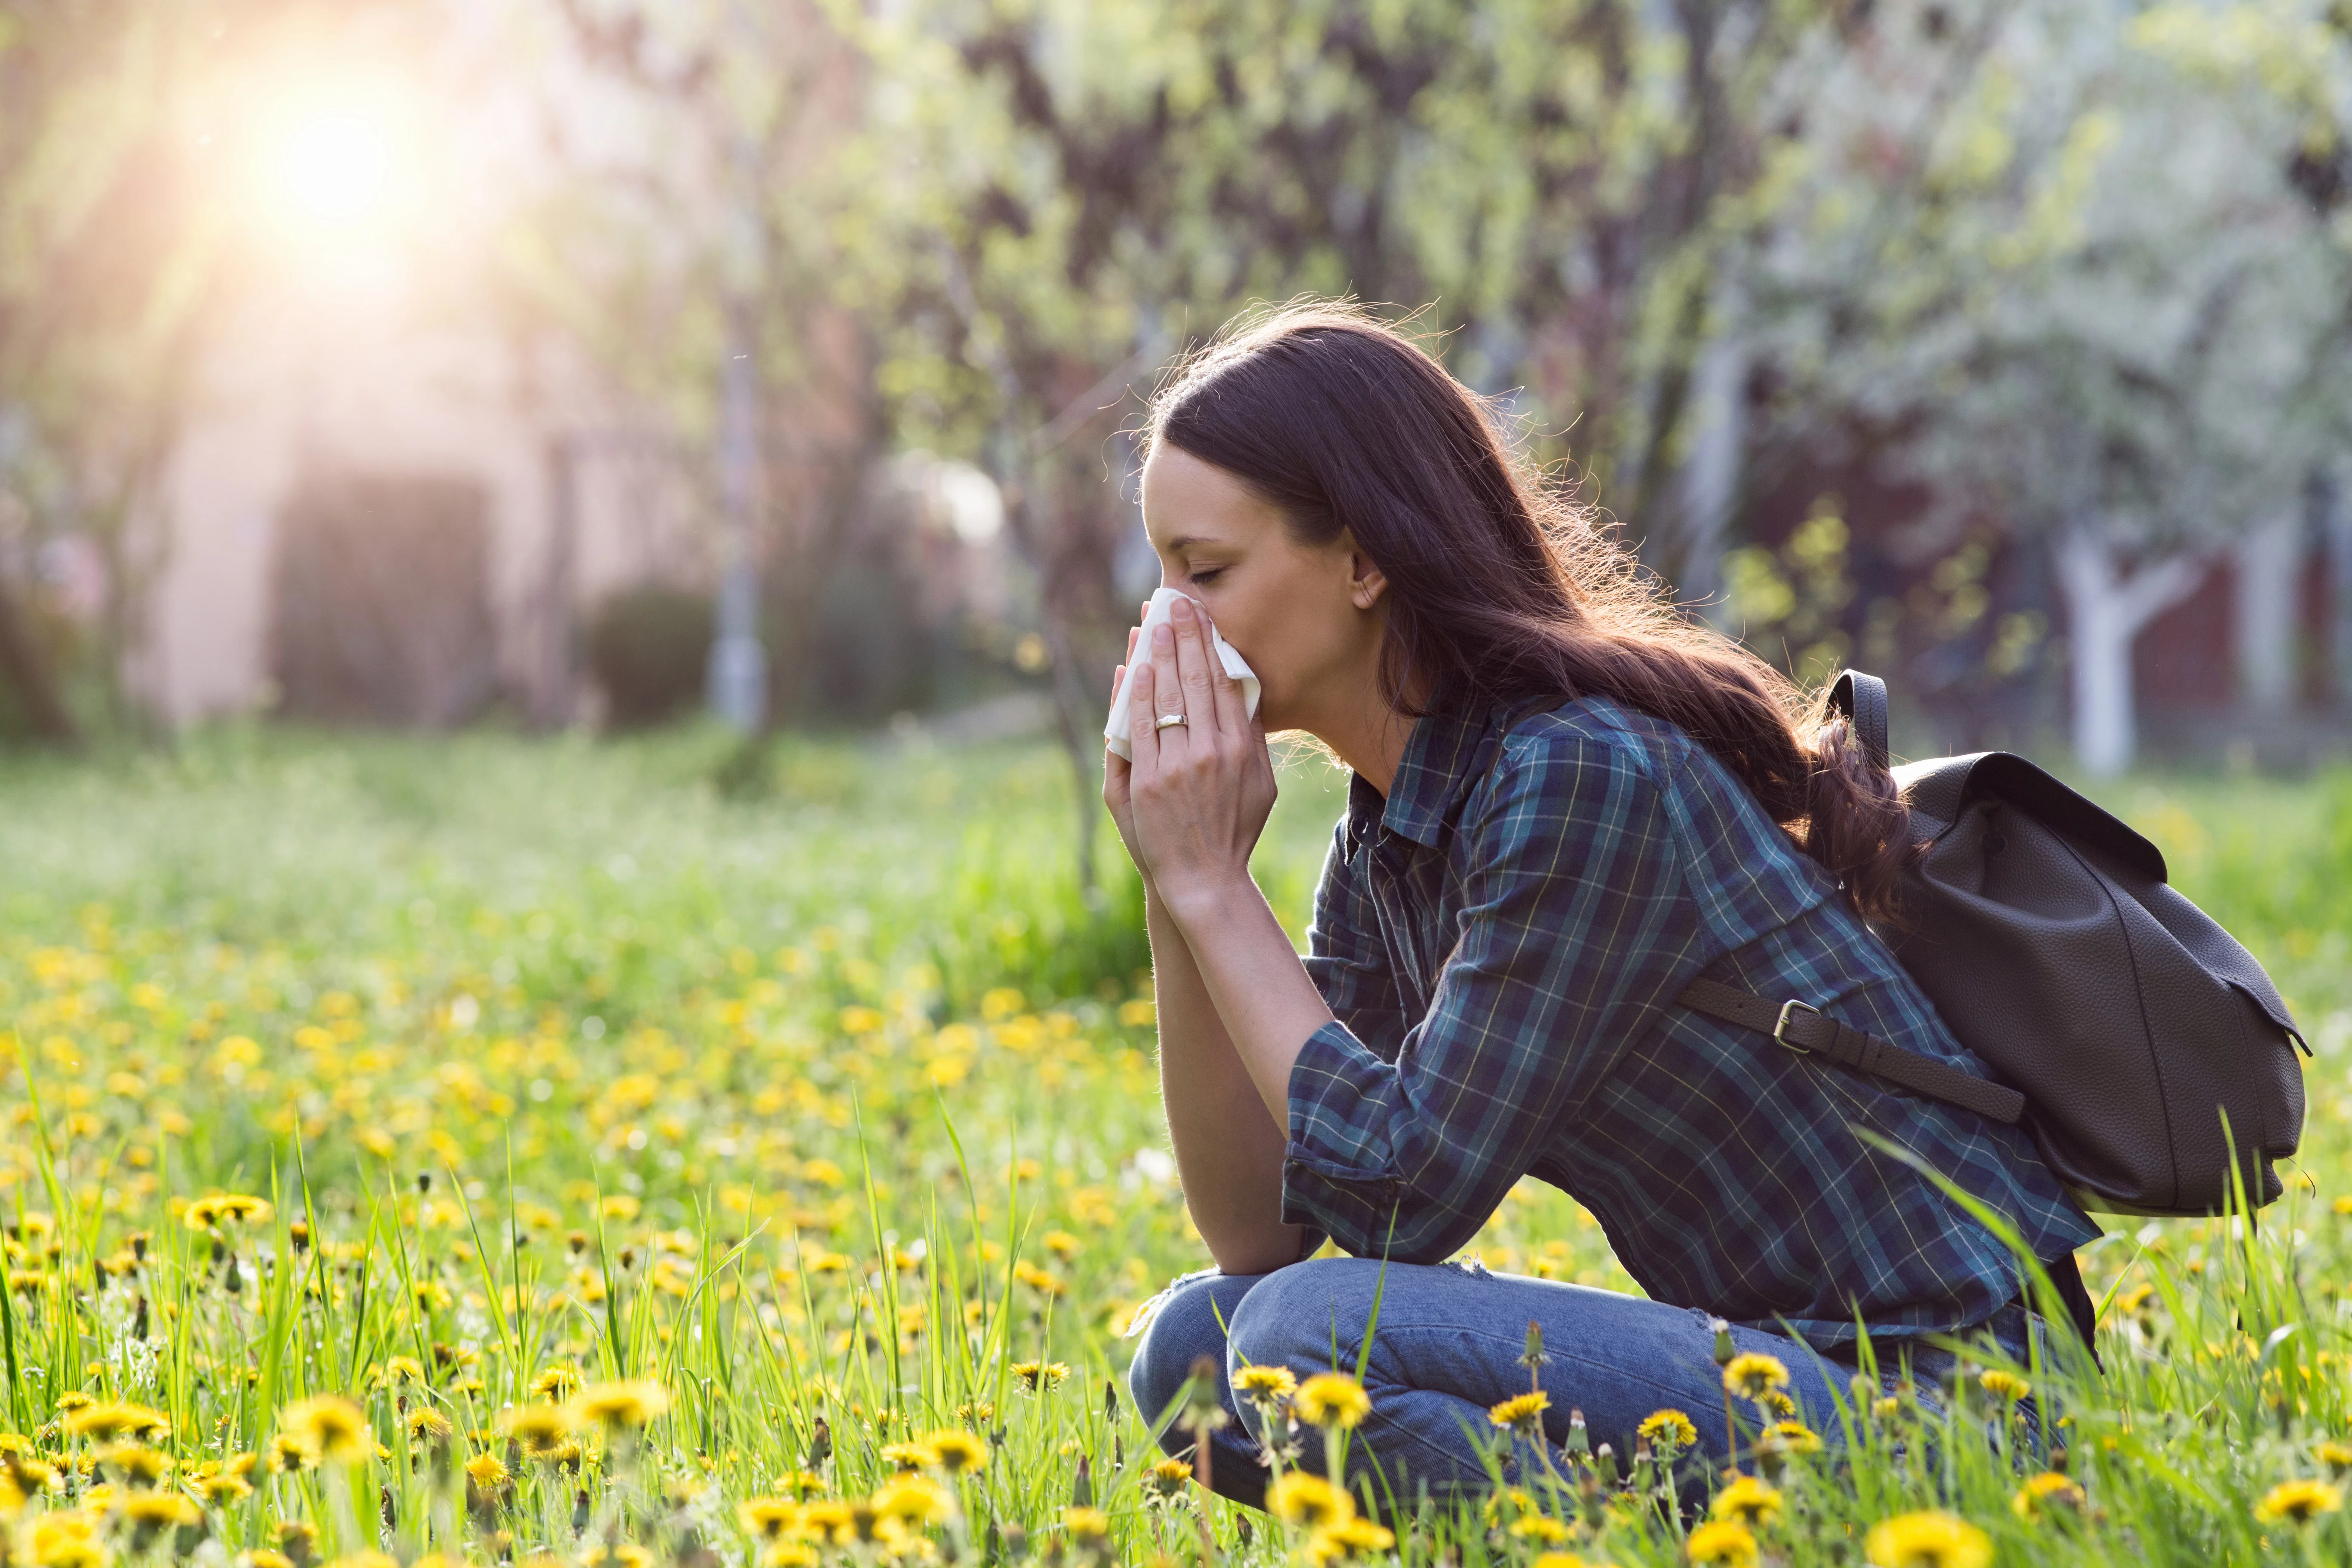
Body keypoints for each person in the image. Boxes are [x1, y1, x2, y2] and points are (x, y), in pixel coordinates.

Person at [1104, 302, 2099, 1512]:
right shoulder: (1392, 833)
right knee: (1193, 1353)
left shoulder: (1574, 774)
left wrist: (1216, 889)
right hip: (1783, 1375)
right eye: (1160, 574)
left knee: (1307, 1343)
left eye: (1205, 572)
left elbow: (1403, 1199)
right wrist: (1177, 888)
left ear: (1364, 561)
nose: (1167, 622)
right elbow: (1263, 1234)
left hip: (1959, 1407)